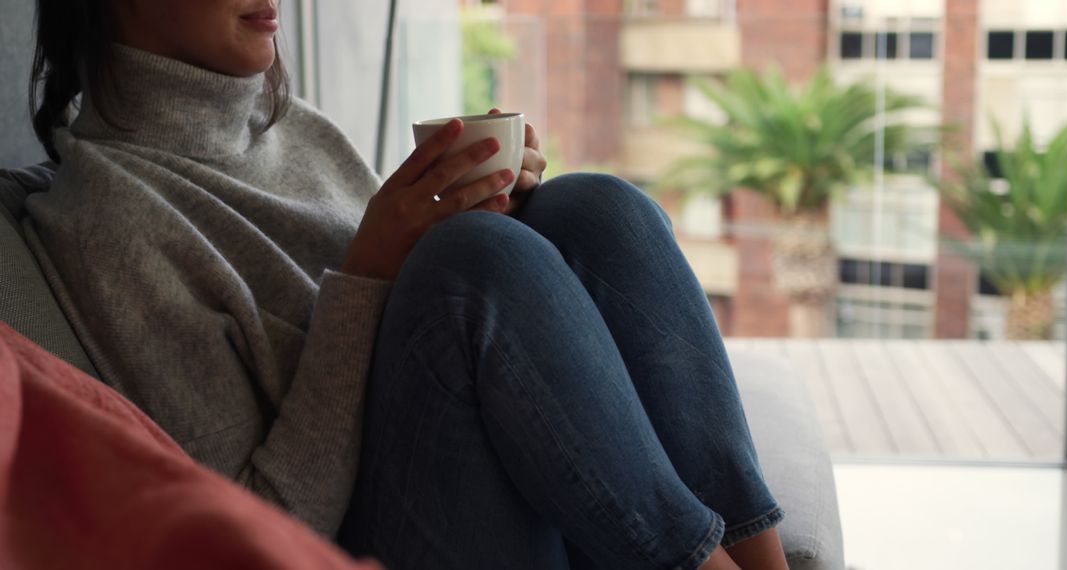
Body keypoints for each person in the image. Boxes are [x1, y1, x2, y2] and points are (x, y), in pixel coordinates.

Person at [25, 1, 787, 569]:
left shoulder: (296, 130)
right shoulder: (112, 221)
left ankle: (761, 558)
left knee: (595, 210)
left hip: (459, 480)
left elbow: (414, 345)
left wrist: (496, 214)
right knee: (471, 272)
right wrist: (369, 274)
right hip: (355, 540)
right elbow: (258, 525)